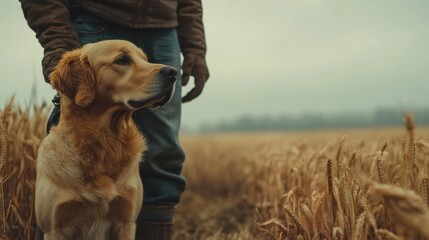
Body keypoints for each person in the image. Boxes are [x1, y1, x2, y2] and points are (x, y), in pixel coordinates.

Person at [19, 0, 209, 239]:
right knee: (71, 133)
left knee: (164, 155)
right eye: (124, 62)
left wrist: (194, 47)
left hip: (164, 24)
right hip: (92, 16)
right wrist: (56, 39)